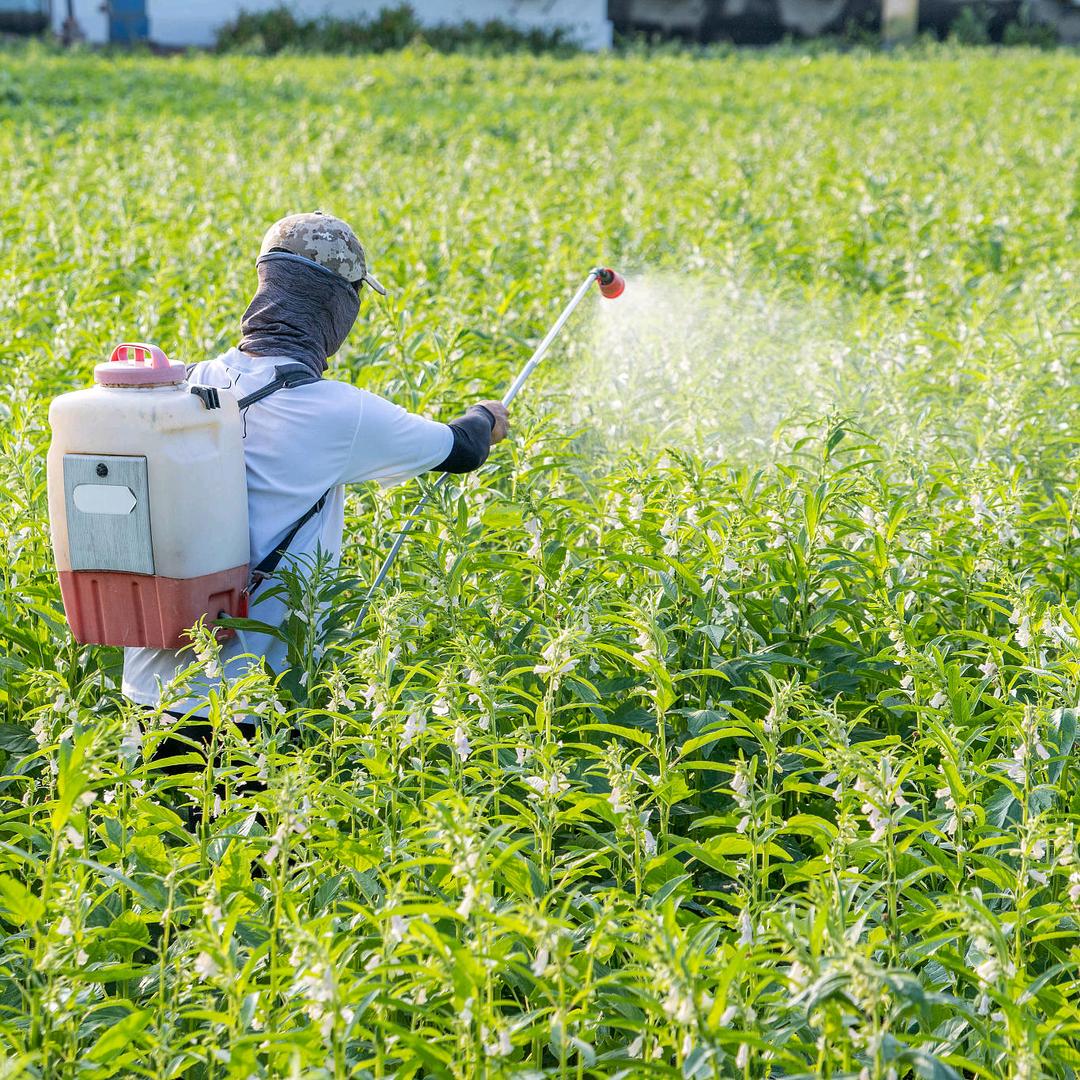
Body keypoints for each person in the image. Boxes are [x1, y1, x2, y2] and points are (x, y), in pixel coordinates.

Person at [123, 210, 509, 742]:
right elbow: (462, 449)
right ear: (336, 305)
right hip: (244, 709)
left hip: (146, 694)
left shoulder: (185, 383)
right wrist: (487, 416)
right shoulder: (336, 412)